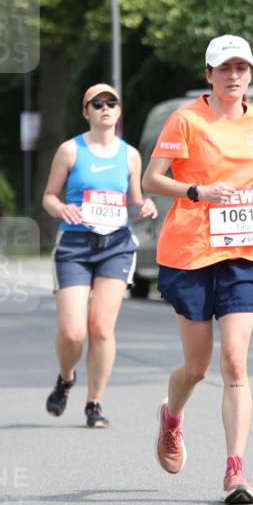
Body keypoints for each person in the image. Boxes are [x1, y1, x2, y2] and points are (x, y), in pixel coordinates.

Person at [142, 35, 253, 504]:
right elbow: (151, 178)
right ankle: (172, 418)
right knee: (198, 367)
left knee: (235, 362)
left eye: (241, 68)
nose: (234, 76)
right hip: (190, 251)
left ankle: (235, 471)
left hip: (246, 250)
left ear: (250, 73)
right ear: (209, 75)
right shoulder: (185, 120)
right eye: (224, 68)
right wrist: (197, 193)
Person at [42, 83, 157, 428]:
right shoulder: (70, 151)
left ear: (119, 111)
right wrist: (62, 209)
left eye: (112, 102)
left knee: (102, 329)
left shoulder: (130, 155)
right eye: (97, 103)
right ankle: (66, 378)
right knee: (73, 333)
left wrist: (144, 206)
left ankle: (95, 403)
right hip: (75, 247)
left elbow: (134, 202)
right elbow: (49, 196)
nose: (105, 108)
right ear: (86, 112)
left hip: (116, 246)